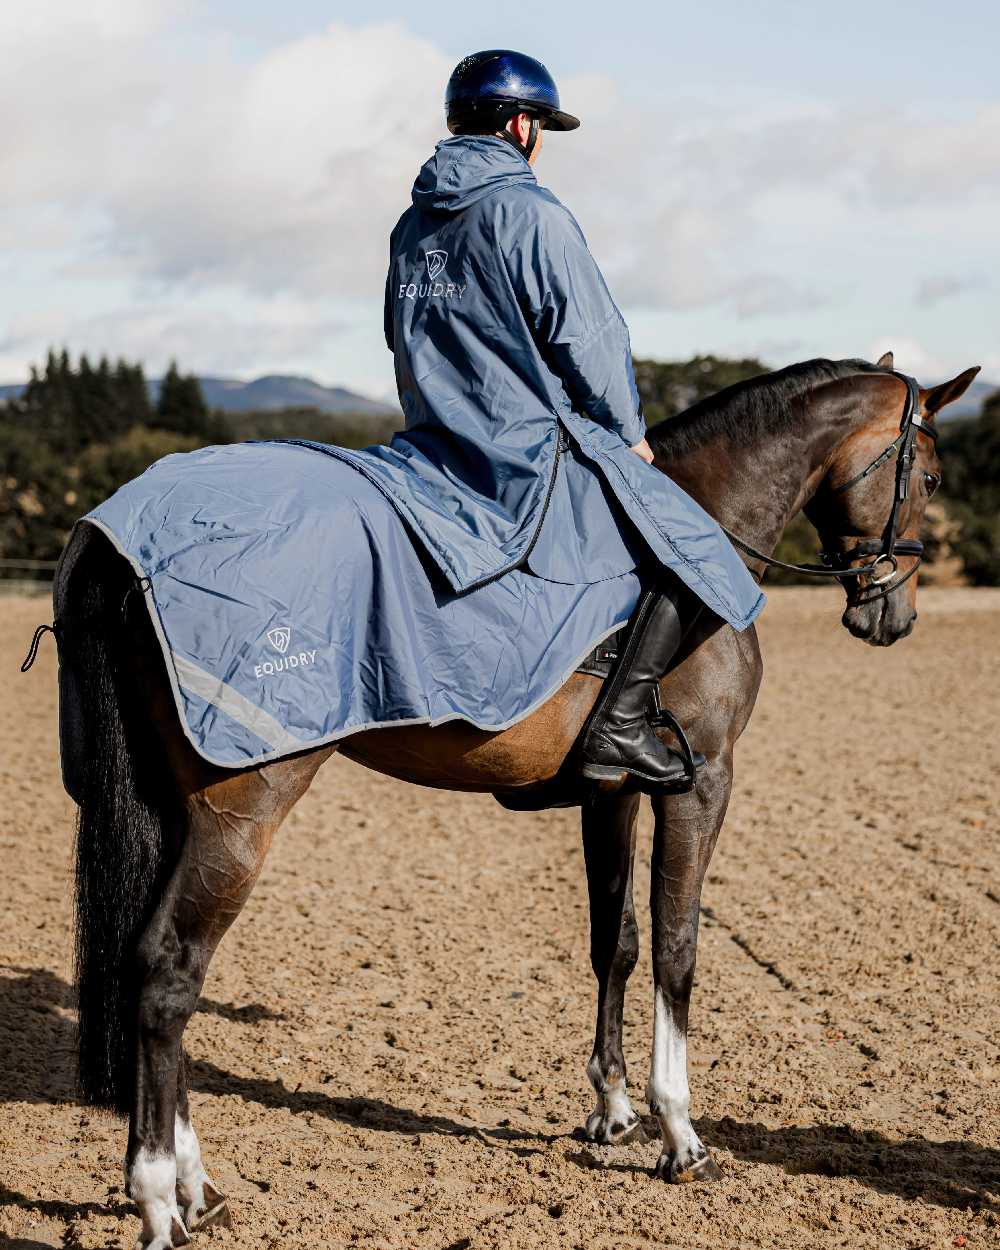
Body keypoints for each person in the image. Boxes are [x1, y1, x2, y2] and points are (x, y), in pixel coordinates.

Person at [382, 49, 764, 791]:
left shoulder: (410, 224)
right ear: (521, 126)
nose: (542, 139)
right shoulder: (530, 212)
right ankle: (617, 726)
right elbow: (589, 338)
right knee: (695, 548)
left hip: (433, 445)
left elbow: (402, 339)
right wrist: (629, 435)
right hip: (525, 449)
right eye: (543, 126)